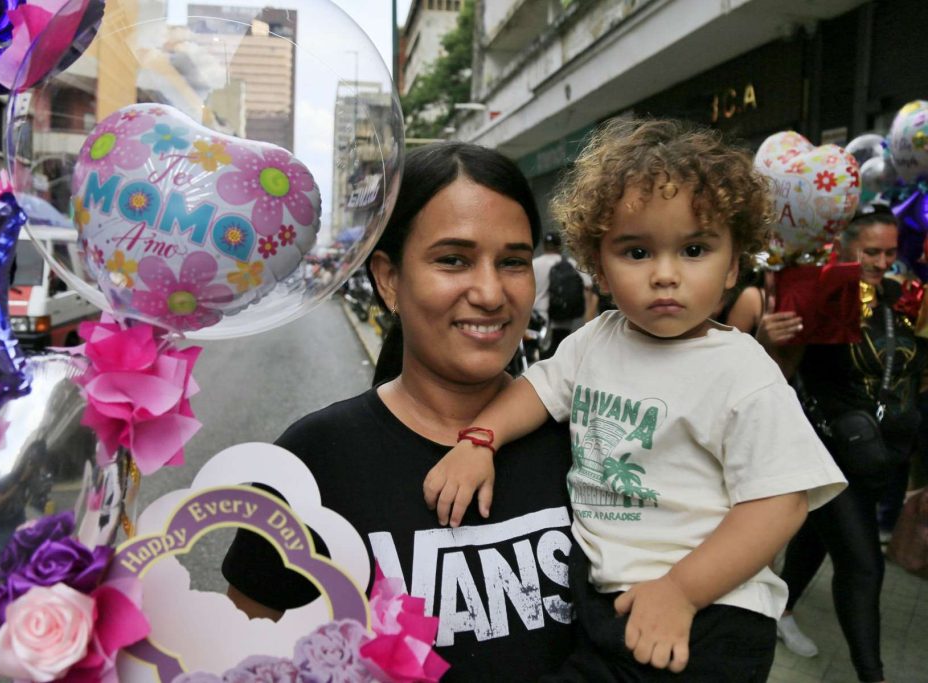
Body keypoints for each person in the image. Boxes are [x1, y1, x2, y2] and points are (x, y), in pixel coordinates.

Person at [422, 118, 846, 681]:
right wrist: (480, 440)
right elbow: (536, 390)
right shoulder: (596, 341)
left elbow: (780, 504)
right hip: (609, 604)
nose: (666, 275)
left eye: (694, 249)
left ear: (734, 266)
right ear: (598, 263)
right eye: (637, 251)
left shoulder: (743, 371)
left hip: (708, 614)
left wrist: (682, 591)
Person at [222, 142, 577, 680]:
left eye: (513, 262)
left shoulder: (585, 437)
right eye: (453, 260)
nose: (489, 291)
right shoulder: (312, 461)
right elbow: (239, 654)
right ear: (388, 278)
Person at [765, 204, 926, 683]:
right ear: (847, 248)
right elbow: (775, 378)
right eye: (871, 251)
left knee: (817, 538)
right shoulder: (821, 294)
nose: (880, 262)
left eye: (890, 253)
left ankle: (782, 610)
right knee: (863, 564)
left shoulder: (906, 298)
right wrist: (768, 339)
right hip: (829, 454)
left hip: (883, 454)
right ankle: (870, 675)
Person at [533, 231, 596, 357]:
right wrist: (588, 315)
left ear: (544, 246)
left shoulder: (534, 264)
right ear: (559, 246)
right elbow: (588, 285)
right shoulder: (570, 263)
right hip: (562, 314)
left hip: (538, 314)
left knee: (537, 350)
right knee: (559, 351)